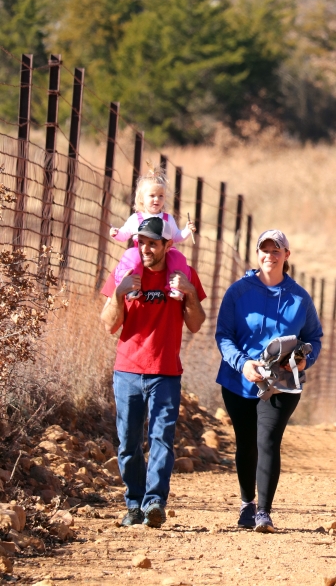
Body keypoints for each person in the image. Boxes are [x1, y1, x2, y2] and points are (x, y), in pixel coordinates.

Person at [100, 215, 206, 528]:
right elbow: (108, 324)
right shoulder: (126, 272)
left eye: (153, 243)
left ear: (166, 245)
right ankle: (133, 504)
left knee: (162, 438)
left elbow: (197, 323)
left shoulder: (181, 274)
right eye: (141, 242)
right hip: (127, 371)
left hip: (166, 372)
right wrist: (119, 293)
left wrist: (189, 293)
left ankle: (154, 503)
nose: (146, 248)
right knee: (129, 443)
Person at [215, 229, 322, 534]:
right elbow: (223, 335)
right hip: (240, 381)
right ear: (257, 253)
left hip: (282, 383)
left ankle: (264, 512)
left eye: (277, 251)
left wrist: (305, 360)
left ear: (286, 256)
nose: (269, 256)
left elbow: (314, 337)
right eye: (265, 250)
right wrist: (242, 363)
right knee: (246, 443)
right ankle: (247, 503)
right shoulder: (238, 292)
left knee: (268, 441)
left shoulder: (300, 298)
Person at [110, 165, 196, 245]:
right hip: (141, 255)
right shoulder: (135, 219)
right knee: (131, 259)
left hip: (163, 256)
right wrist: (116, 233)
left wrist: (187, 230)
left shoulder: (168, 219)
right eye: (152, 196)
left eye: (161, 196)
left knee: (177, 259)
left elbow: (176, 237)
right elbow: (124, 234)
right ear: (141, 198)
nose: (157, 199)